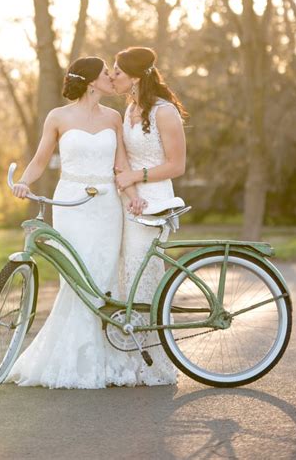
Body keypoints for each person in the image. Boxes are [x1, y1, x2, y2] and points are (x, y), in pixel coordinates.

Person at [6, 56, 145, 389]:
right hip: (70, 202)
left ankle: (104, 355)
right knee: (76, 276)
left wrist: (133, 197)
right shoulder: (58, 116)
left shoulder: (114, 118)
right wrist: (24, 182)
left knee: (103, 274)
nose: (112, 78)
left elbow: (121, 165)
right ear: (91, 81)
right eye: (105, 74)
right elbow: (40, 159)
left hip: (107, 205)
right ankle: (74, 358)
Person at [112, 46, 187, 385]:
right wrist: (126, 186)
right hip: (126, 200)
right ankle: (127, 358)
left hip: (154, 200)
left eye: (117, 70)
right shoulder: (129, 108)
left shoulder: (164, 112)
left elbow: (177, 165)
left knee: (145, 275)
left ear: (135, 76)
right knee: (125, 273)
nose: (112, 75)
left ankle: (152, 363)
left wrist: (137, 179)